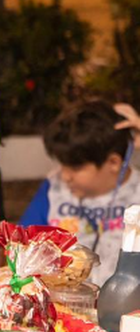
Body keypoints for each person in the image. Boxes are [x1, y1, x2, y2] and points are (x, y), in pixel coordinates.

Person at [19, 101, 140, 285]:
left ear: (114, 162)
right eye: (62, 165)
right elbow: (21, 249)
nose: (65, 176)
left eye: (75, 167)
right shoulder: (53, 189)